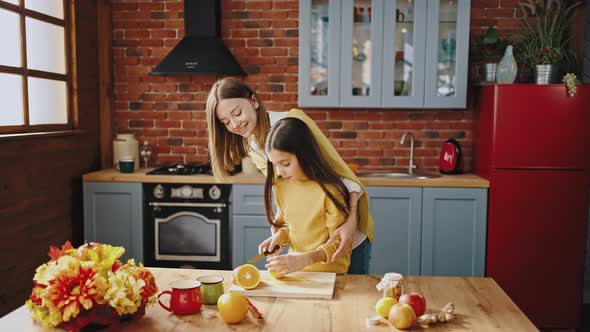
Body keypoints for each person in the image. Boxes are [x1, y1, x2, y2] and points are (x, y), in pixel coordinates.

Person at [206, 77, 374, 274]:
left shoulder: (294, 123)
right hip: (309, 258)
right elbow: (288, 188)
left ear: (254, 101)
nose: (234, 125)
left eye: (237, 113)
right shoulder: (251, 144)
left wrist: (351, 219)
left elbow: (337, 172)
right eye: (226, 122)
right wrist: (281, 229)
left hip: (344, 237)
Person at [259, 117, 351, 275]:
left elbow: (339, 242)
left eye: (285, 164)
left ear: (304, 154)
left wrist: (305, 259)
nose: (280, 171)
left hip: (331, 275)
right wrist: (281, 236)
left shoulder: (330, 190)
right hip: (297, 273)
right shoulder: (281, 187)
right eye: (275, 164)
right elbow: (291, 226)